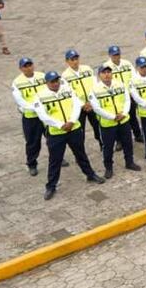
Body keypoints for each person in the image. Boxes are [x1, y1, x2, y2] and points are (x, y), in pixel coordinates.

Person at [34, 71, 105, 200]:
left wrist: (71, 121)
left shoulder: (68, 90)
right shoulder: (40, 96)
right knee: (55, 160)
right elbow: (43, 116)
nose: (55, 83)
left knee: (81, 154)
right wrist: (60, 125)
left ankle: (90, 174)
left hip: (73, 129)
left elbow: (77, 105)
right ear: (47, 83)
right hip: (56, 133)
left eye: (57, 80)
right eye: (52, 81)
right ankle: (51, 186)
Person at [89, 65, 141, 179]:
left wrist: (124, 113)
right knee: (108, 147)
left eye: (108, 72)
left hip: (123, 120)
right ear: (99, 75)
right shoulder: (94, 90)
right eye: (104, 72)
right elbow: (97, 108)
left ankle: (129, 162)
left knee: (128, 143)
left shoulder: (120, 84)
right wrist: (113, 117)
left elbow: (127, 100)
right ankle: (108, 168)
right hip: (108, 124)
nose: (107, 74)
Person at [62, 49, 102, 149]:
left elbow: (95, 84)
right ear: (67, 61)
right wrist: (82, 104)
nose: (75, 61)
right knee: (80, 131)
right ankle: (80, 152)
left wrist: (91, 101)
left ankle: (103, 145)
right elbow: (69, 93)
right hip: (78, 108)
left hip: (92, 104)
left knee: (98, 126)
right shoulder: (65, 76)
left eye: (76, 58)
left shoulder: (87, 69)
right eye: (72, 59)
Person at [12, 57, 45, 176]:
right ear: (21, 68)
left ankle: (58, 158)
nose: (28, 68)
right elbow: (20, 101)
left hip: (46, 115)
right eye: (25, 66)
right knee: (32, 142)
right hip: (31, 117)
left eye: (30, 65)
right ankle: (32, 163)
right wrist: (36, 108)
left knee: (53, 139)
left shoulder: (42, 76)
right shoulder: (17, 82)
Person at [104, 46, 143, 144]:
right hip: (115, 97)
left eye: (118, 54)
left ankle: (137, 135)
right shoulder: (106, 67)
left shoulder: (127, 63)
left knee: (133, 116)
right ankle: (119, 141)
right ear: (109, 55)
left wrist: (131, 91)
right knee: (117, 119)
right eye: (114, 55)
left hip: (129, 95)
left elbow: (133, 77)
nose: (116, 57)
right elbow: (106, 82)